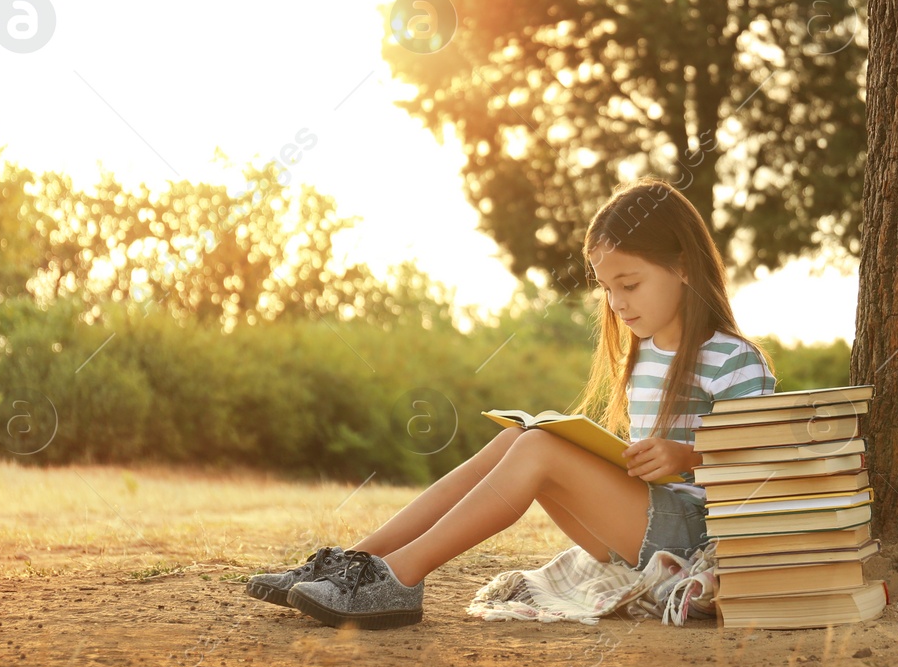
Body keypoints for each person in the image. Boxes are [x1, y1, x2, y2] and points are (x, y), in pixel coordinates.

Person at [245, 176, 777, 629]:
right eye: (607, 289)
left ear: (683, 266)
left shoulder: (732, 359)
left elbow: (769, 471)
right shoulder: (642, 354)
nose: (617, 304)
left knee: (539, 449)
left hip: (695, 536)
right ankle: (354, 562)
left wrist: (688, 459)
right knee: (517, 439)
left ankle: (401, 578)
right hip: (640, 523)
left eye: (630, 284)